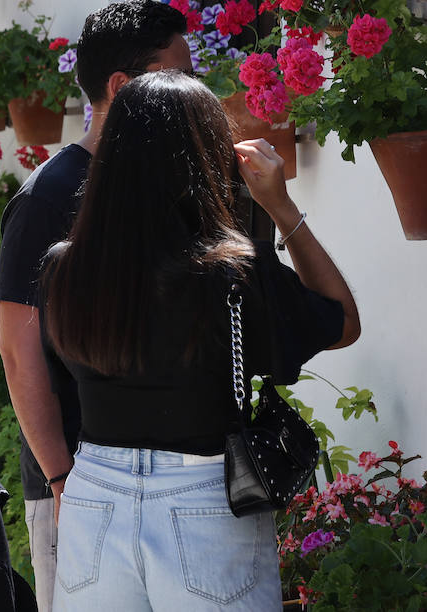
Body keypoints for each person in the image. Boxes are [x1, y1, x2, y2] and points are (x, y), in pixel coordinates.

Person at [41, 71, 359, 609]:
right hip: (204, 495)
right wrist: (281, 207)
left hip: (94, 492)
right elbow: (342, 322)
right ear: (207, 158)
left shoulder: (63, 268)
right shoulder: (231, 273)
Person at [0, 0, 191, 609]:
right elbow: (18, 351)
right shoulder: (49, 197)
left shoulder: (167, 183)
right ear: (122, 87)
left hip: (169, 481)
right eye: (178, 75)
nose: (192, 92)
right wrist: (60, 477)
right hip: (77, 482)